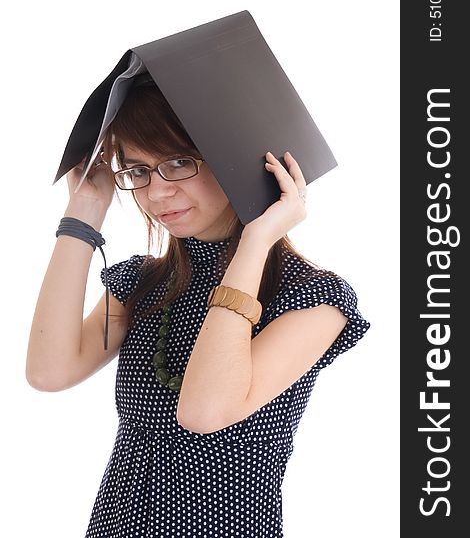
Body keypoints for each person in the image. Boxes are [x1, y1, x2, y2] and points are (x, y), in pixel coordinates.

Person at [26, 78, 370, 537]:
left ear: (236, 156)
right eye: (138, 171)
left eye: (178, 162)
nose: (156, 192)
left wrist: (258, 239)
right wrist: (85, 210)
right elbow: (49, 371)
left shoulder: (311, 297)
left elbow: (205, 411)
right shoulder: (143, 282)